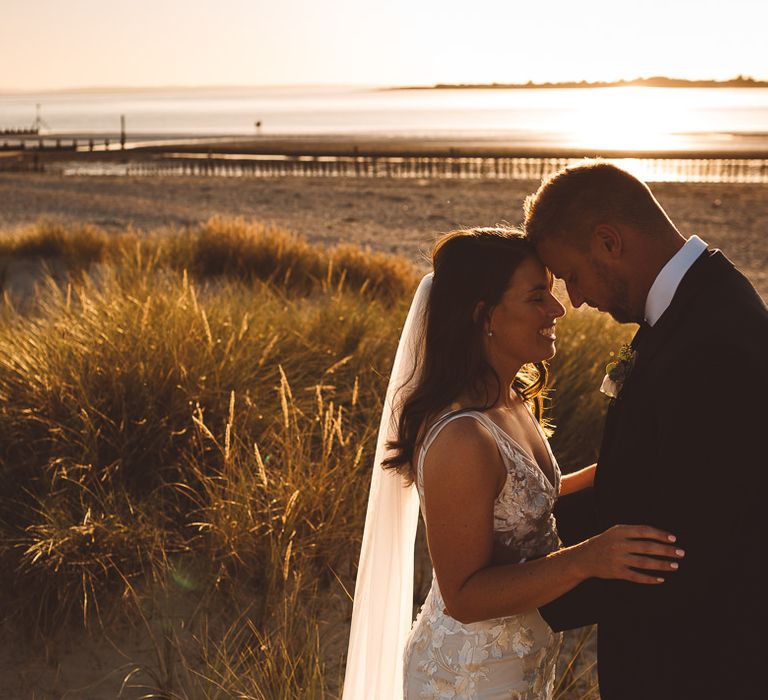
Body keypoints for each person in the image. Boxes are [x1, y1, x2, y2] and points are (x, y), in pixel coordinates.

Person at [342, 227, 683, 700]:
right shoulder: (461, 437)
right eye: (537, 297)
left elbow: (524, 504)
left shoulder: (510, 398)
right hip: (467, 677)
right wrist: (588, 558)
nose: (558, 309)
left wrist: (628, 465)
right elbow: (463, 596)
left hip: (520, 662)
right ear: (486, 318)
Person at [524, 162, 768, 699]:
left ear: (609, 241)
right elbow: (652, 477)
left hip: (698, 665)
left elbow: (689, 544)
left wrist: (522, 585)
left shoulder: (714, 342)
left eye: (571, 275)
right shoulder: (695, 305)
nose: (576, 298)